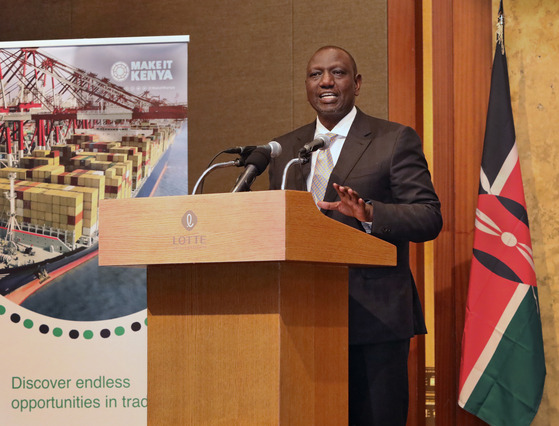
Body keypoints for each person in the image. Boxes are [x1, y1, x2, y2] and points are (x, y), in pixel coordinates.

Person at [268, 46, 442, 425]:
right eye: (316, 75)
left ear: (357, 84)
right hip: (301, 318)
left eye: (338, 73)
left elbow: (429, 217)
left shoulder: (393, 139)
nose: (326, 82)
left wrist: (371, 214)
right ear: (307, 86)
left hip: (374, 320)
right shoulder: (284, 151)